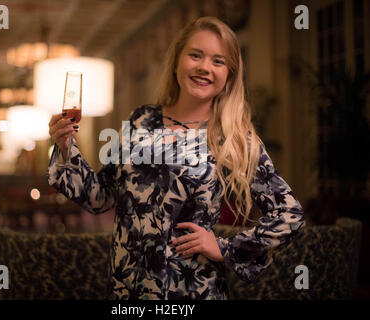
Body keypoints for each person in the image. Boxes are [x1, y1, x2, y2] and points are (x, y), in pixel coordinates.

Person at [48, 16, 305, 300]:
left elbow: (289, 214)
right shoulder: (141, 120)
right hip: (128, 289)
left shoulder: (233, 136)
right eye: (195, 55)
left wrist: (224, 248)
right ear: (177, 60)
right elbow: (100, 198)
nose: (205, 67)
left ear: (229, 75)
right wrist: (65, 147)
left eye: (218, 61)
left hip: (192, 290)